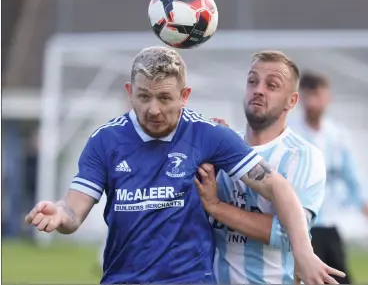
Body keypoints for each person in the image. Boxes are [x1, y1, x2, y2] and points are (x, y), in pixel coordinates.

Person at [25, 47, 344, 284]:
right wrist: (59, 213)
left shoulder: (209, 135)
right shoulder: (105, 141)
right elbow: (73, 211)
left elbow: (277, 187)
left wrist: (303, 252)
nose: (153, 109)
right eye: (143, 96)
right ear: (129, 93)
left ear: (185, 95)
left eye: (165, 98)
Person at [195, 50, 334, 284]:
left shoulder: (303, 156)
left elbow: (287, 233)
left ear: (292, 101)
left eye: (272, 85)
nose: (258, 89)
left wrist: (217, 208)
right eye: (252, 81)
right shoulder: (222, 147)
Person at [289, 71, 368, 284]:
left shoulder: (337, 137)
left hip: (331, 228)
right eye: (309, 96)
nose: (313, 102)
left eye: (318, 95)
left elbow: (356, 185)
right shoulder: (291, 135)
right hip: (302, 229)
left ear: (328, 98)